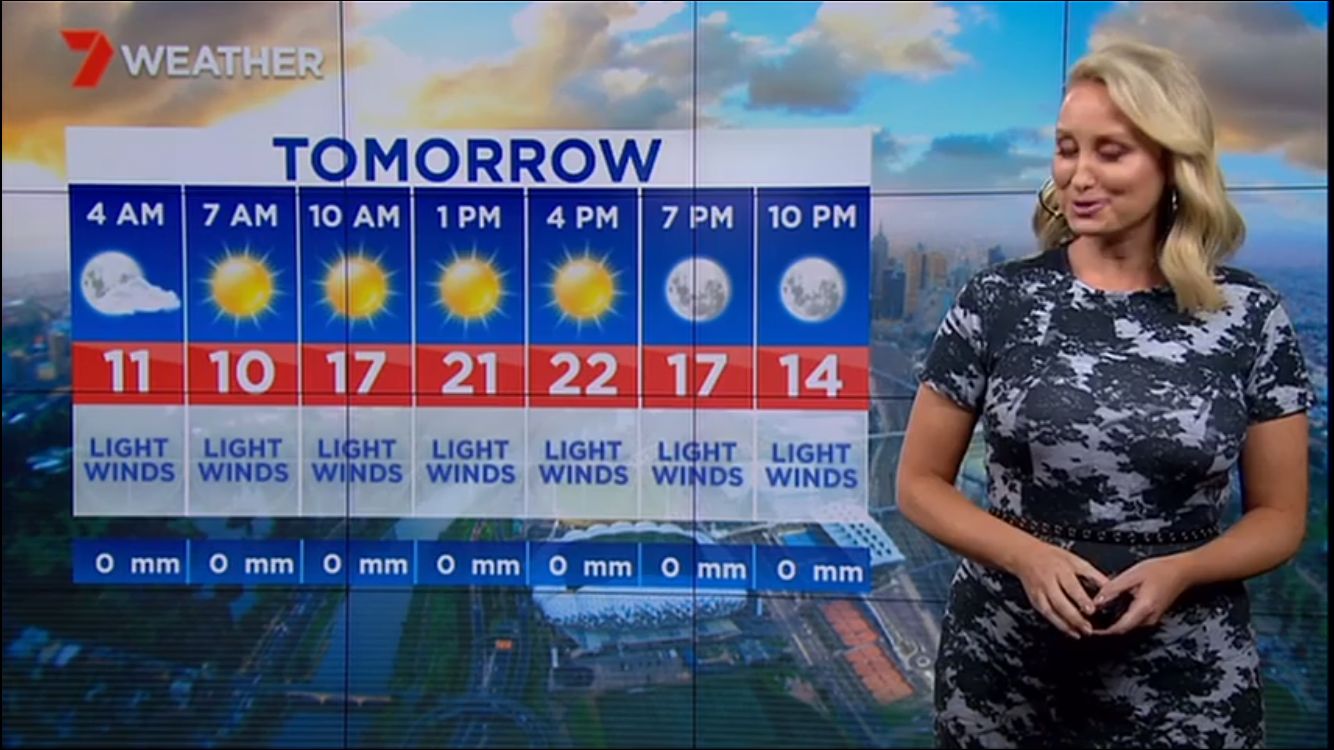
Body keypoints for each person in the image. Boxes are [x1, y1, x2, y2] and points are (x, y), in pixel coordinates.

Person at [896, 39, 1314, 749]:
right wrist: (1027, 556)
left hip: (1187, 674)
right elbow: (918, 484)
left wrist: (1185, 569)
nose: (1078, 176)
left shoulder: (1250, 316)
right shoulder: (997, 300)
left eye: (1110, 152)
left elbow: (1279, 517)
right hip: (1006, 668)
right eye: (1066, 149)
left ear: (1173, 164)